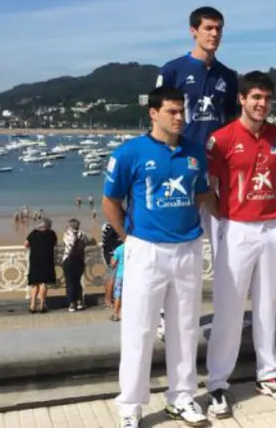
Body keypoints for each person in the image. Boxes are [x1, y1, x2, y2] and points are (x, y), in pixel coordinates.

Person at [103, 86, 214, 428]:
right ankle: (131, 407)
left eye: (182, 111)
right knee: (139, 329)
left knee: (184, 327)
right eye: (172, 111)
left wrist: (184, 230)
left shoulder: (195, 152)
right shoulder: (129, 153)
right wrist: (129, 238)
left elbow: (200, 194)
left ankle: (181, 398)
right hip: (145, 251)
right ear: (153, 113)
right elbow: (111, 202)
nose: (180, 117)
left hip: (188, 250)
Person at [204, 71, 276, 418]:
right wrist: (226, 217)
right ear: (242, 99)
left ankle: (269, 375)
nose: (262, 104)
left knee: (267, 306)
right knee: (229, 310)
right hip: (237, 230)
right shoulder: (222, 138)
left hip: (272, 228)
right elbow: (207, 187)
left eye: (267, 99)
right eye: (256, 98)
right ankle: (217, 383)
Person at [156, 5, 238, 260]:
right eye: (208, 28)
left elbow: (233, 120)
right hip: (182, 161)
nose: (214, 34)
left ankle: (226, 297)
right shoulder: (172, 70)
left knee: (223, 238)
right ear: (193, 30)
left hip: (218, 164)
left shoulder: (228, 76)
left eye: (219, 29)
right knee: (178, 238)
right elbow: (158, 116)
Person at [24, 217, 57, 313]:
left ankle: (32, 305)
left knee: (34, 283)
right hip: (47, 260)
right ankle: (42, 305)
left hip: (35, 260)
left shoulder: (33, 234)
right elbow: (55, 244)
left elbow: (25, 244)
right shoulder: (51, 234)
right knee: (43, 283)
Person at [62, 218, 93, 312]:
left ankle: (72, 304)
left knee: (69, 282)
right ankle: (79, 302)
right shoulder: (83, 234)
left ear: (70, 226)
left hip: (68, 259)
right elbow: (92, 240)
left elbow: (67, 243)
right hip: (79, 260)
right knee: (77, 281)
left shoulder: (67, 234)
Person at [110, 242, 125, 322]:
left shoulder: (119, 249)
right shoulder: (134, 248)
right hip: (131, 275)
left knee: (118, 295)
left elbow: (113, 264)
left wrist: (112, 260)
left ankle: (116, 314)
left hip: (120, 275)